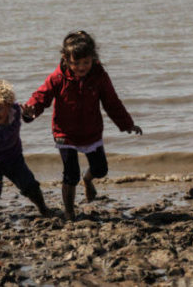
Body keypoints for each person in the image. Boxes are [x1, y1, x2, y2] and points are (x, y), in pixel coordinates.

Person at [22, 31, 142, 221]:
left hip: (91, 131)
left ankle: (88, 181)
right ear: (65, 59)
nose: (81, 67)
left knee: (101, 169)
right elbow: (40, 97)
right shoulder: (57, 78)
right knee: (71, 174)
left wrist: (127, 124)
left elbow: (112, 103)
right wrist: (30, 111)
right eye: (76, 63)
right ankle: (69, 213)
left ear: (93, 58)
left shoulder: (100, 76)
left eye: (85, 62)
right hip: (64, 132)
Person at [0, 79, 50, 216]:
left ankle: (43, 208)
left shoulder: (15, 110)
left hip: (13, 157)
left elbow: (25, 118)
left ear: (8, 106)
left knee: (30, 186)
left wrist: (28, 115)